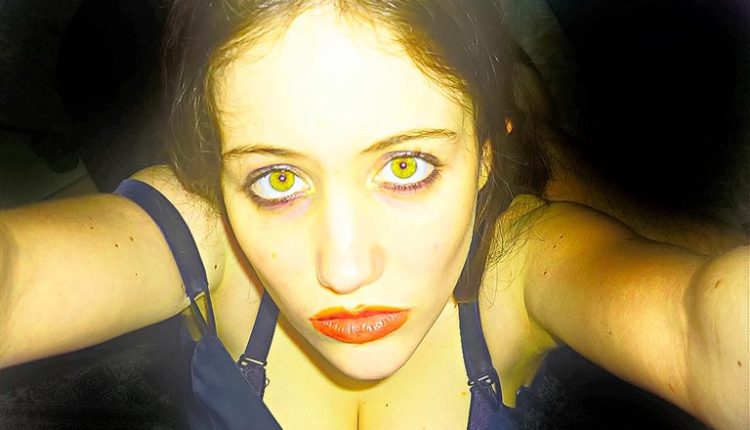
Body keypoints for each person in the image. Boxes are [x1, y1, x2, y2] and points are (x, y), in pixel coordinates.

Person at [0, 0, 747, 428]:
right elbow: (20, 276)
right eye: (278, 178)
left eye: (405, 165)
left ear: (485, 156)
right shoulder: (204, 225)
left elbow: (700, 328)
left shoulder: (522, 263)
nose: (346, 268)